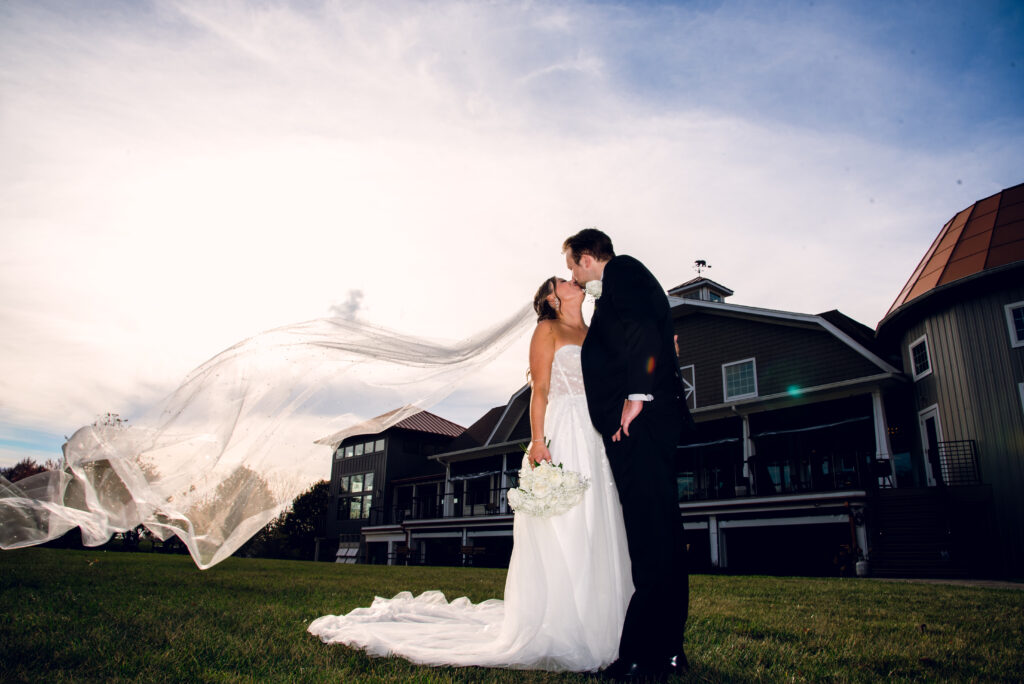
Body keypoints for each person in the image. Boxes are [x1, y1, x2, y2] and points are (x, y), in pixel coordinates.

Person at [307, 276, 633, 672]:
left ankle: (606, 624)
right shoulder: (547, 330)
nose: (573, 281)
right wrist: (539, 441)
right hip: (562, 430)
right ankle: (563, 625)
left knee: (599, 520)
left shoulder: (595, 329)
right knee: (565, 525)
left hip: (595, 433)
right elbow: (541, 390)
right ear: (552, 297)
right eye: (563, 280)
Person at [563, 228, 692, 681]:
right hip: (648, 425)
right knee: (665, 536)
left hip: (638, 425)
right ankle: (670, 650)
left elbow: (639, 328)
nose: (573, 278)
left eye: (571, 267)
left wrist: (636, 395)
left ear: (585, 258)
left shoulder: (623, 270)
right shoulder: (624, 283)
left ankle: (638, 658)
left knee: (649, 539)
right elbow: (643, 333)